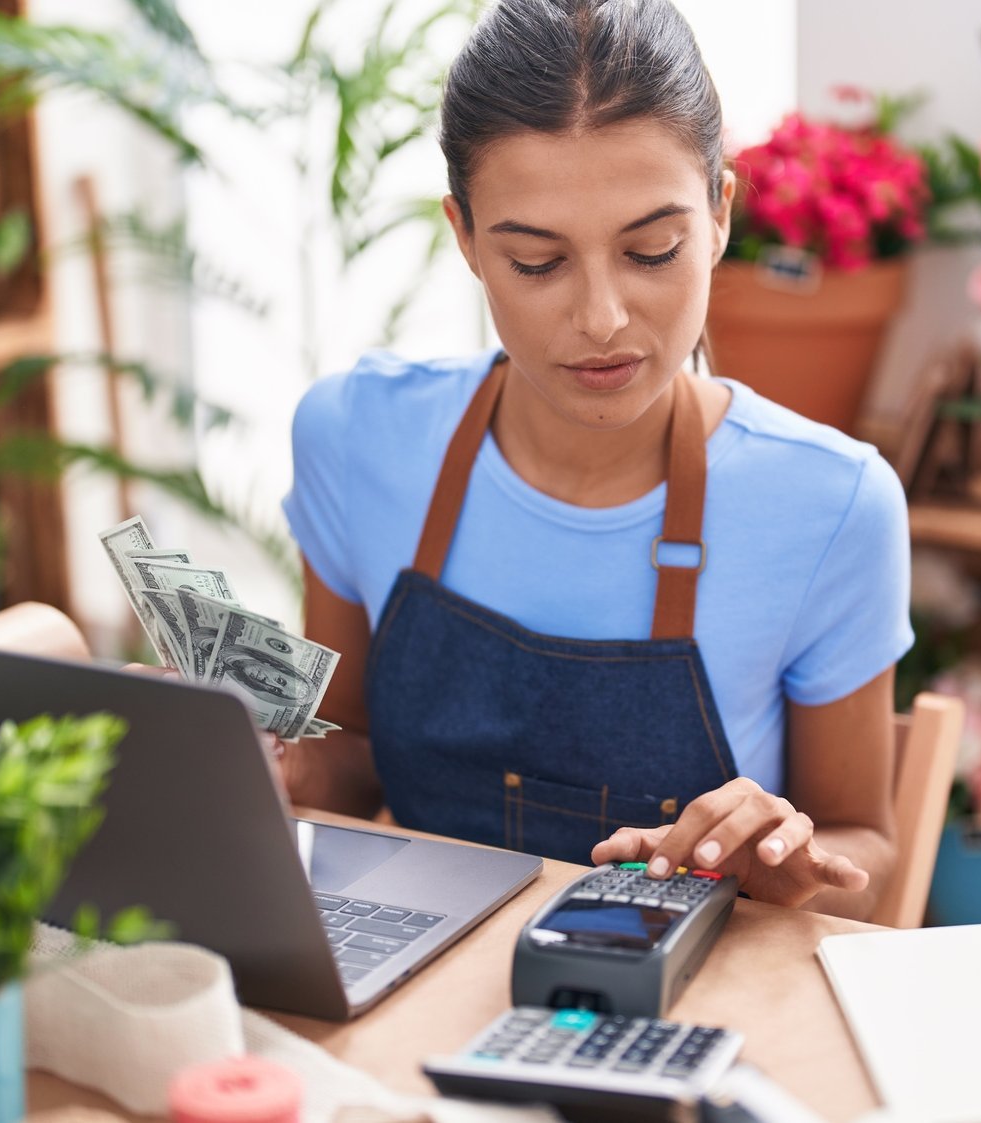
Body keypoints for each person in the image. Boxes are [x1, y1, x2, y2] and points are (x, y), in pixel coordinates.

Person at [277, 0, 911, 919]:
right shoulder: (356, 435)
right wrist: (269, 758)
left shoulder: (832, 504)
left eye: (653, 250)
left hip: (684, 1021)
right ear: (464, 238)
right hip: (403, 990)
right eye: (538, 262)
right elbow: (353, 753)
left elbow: (870, 848)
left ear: (721, 213)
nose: (603, 317)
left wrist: (781, 866)